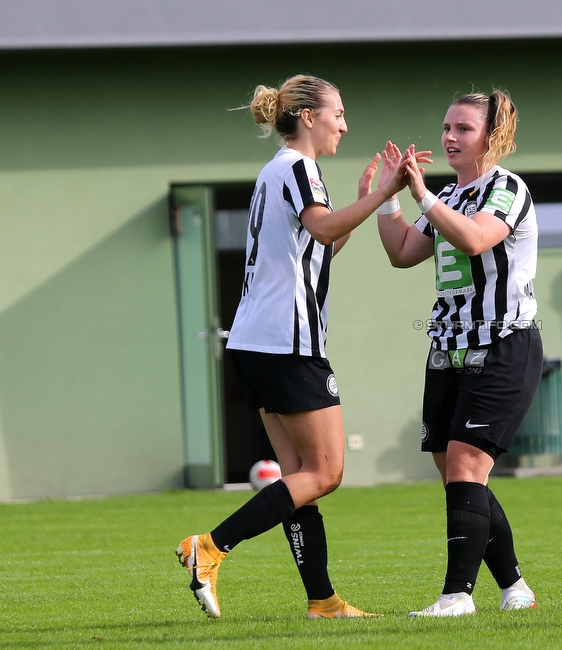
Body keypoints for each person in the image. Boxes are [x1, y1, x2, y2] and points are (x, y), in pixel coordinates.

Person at [175, 74, 419, 620]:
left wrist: (359, 203)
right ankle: (208, 548)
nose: (344, 124)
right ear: (308, 116)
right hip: (287, 343)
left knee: (298, 477)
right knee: (326, 472)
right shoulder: (300, 167)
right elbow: (324, 230)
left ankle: (322, 600)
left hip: (256, 341)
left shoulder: (276, 170)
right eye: (338, 112)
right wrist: (384, 195)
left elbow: (317, 243)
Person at [375, 91, 541, 617]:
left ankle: (456, 596)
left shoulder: (506, 188)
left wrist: (423, 196)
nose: (448, 136)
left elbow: (474, 240)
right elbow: (403, 253)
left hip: (502, 343)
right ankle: (514, 586)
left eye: (463, 128)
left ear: (491, 137)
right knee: (457, 475)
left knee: (468, 466)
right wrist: (387, 197)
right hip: (448, 347)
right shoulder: (452, 193)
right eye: (446, 126)